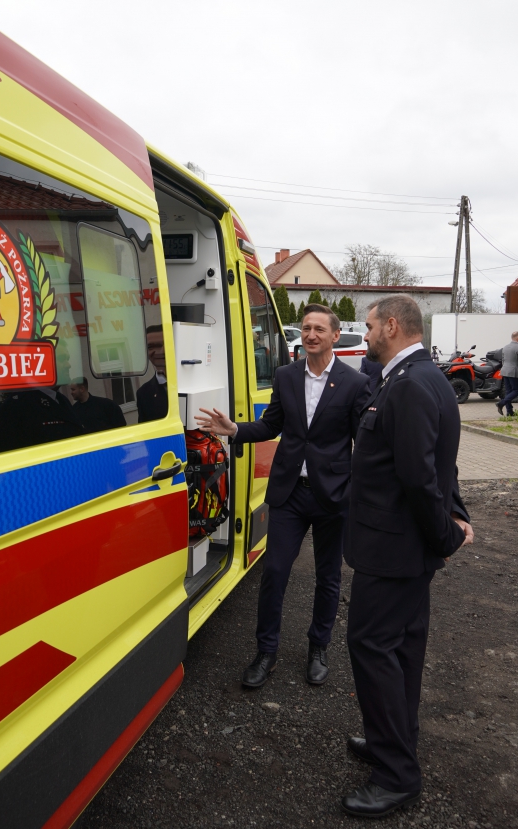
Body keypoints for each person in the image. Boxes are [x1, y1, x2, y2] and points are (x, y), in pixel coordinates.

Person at [341, 296, 474, 819]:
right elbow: (442, 463)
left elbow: (422, 476)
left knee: (373, 648)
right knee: (402, 650)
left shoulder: (412, 384)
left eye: (370, 326)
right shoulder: (414, 377)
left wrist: (446, 535)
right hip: (398, 549)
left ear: (391, 326)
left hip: (394, 551)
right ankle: (392, 740)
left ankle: (396, 776)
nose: (366, 335)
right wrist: (454, 515)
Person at [196, 304, 370, 688]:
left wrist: (356, 491)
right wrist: (235, 430)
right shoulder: (286, 375)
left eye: (319, 329)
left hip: (332, 496)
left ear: (335, 336)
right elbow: (271, 425)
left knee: (328, 577)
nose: (310, 335)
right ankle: (266, 651)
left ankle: (318, 647)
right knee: (274, 572)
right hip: (290, 493)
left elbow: (364, 442)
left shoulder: (355, 383)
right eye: (306, 328)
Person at [137, 325, 168, 423]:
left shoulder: (196, 381)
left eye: (164, 344)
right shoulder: (143, 394)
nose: (159, 351)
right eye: (151, 347)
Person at [496, 331, 518, 416]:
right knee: (516, 390)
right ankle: (501, 403)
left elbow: (503, 360)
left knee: (508, 391)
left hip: (504, 370)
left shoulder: (505, 347)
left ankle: (509, 411)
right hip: (513, 371)